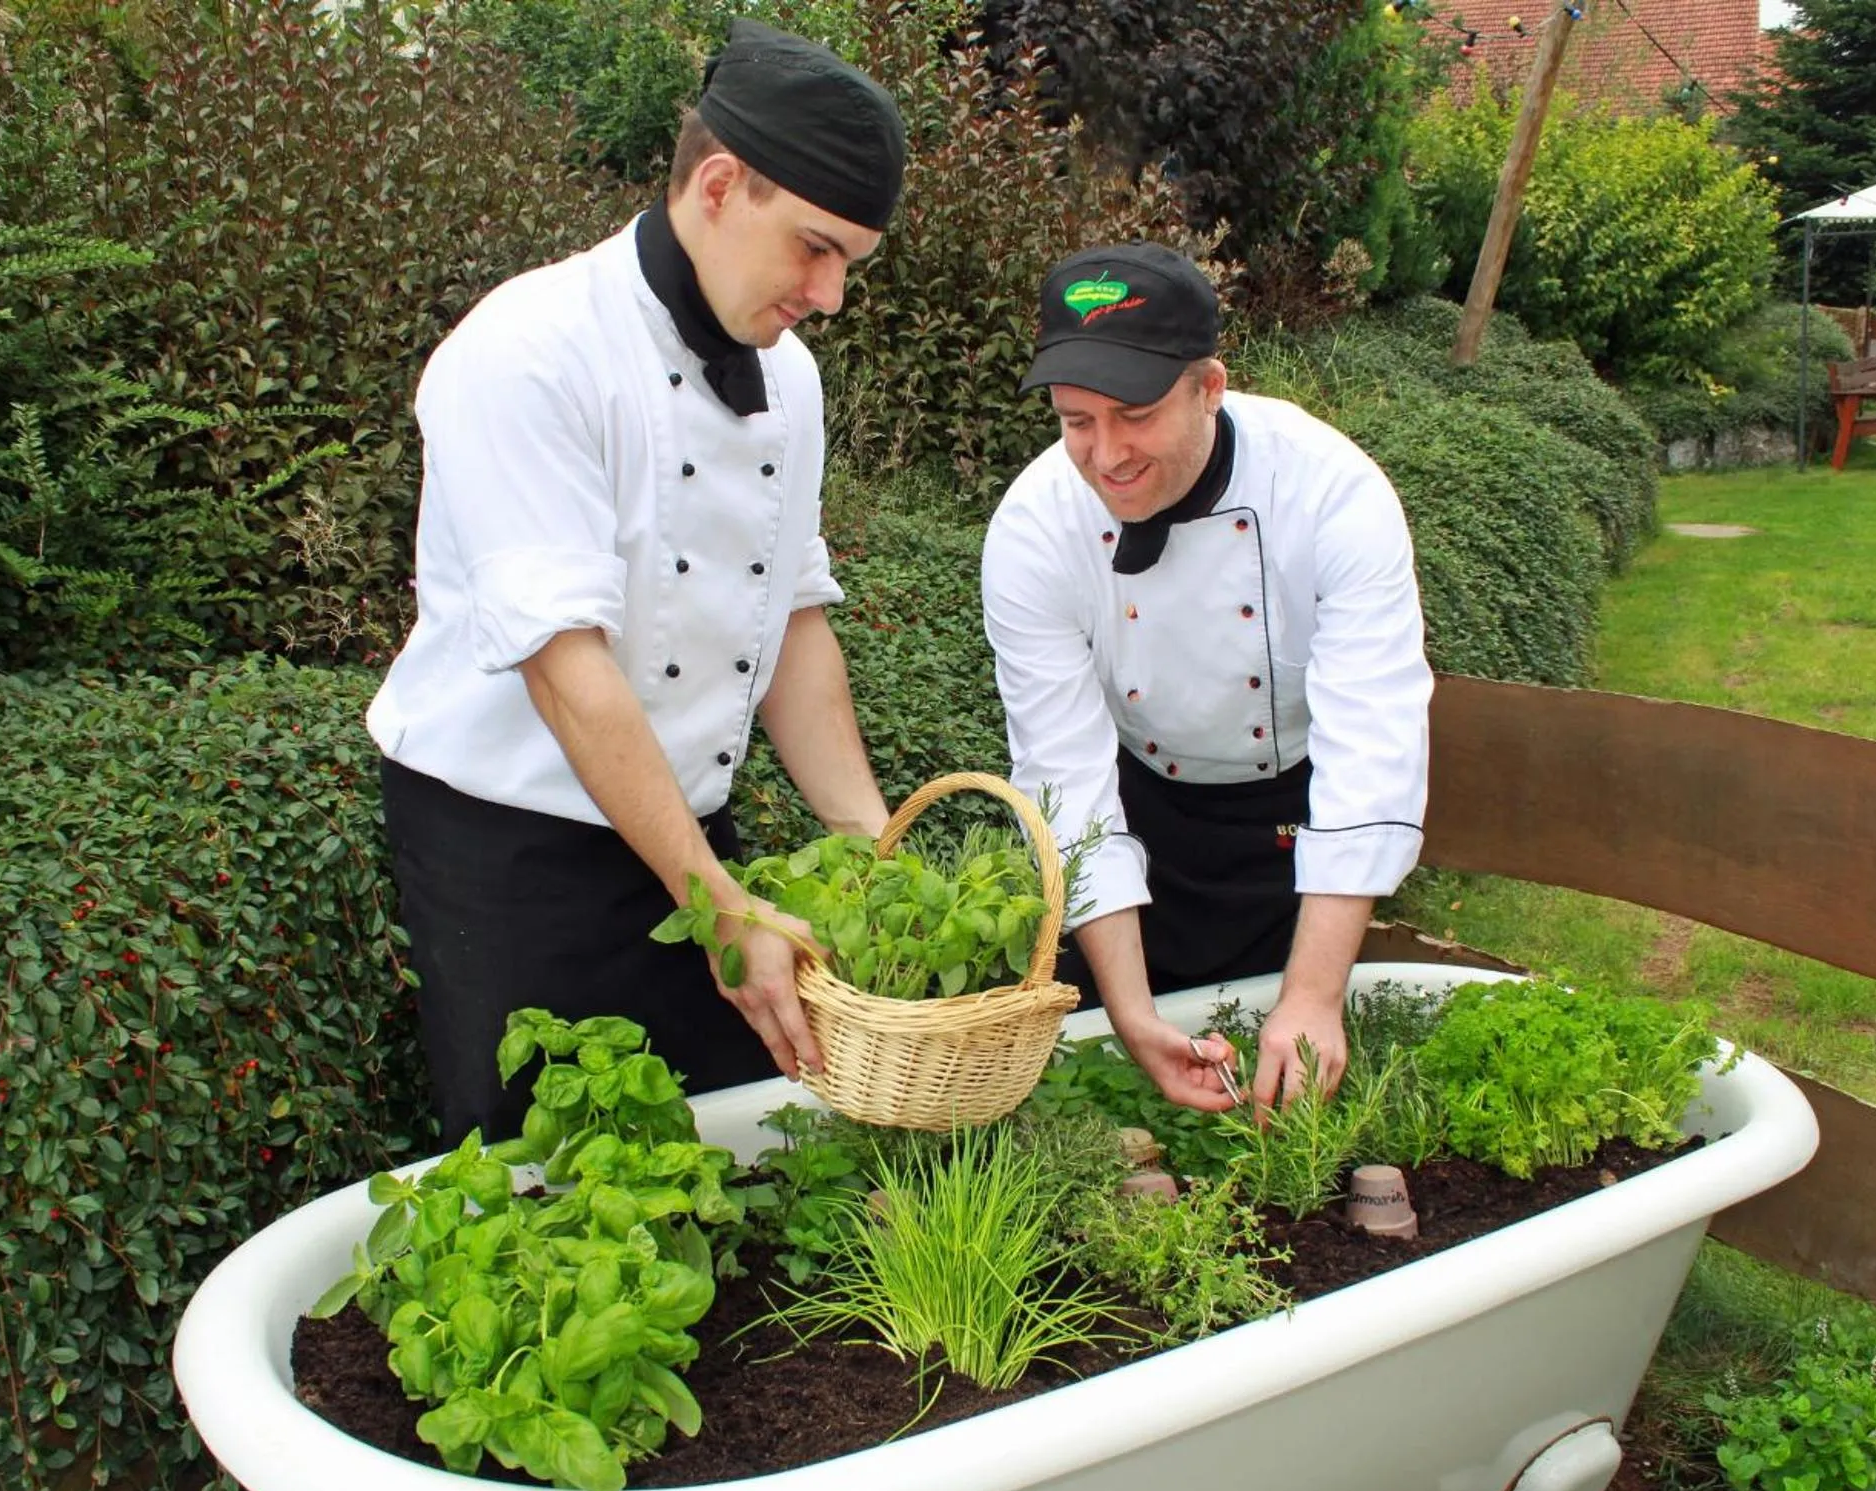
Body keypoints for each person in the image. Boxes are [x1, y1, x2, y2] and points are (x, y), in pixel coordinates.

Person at [367, 20, 907, 1147]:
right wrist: (720, 909)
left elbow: (792, 623)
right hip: (512, 850)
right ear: (720, 185)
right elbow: (571, 678)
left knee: (714, 1158)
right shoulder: (527, 350)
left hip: (690, 831)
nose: (832, 293)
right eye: (816, 250)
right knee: (543, 1173)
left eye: (850, 262)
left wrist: (876, 847)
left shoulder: (790, 380)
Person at [981, 242, 1433, 1119]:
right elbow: (1069, 778)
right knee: (1112, 1106)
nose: (1105, 454)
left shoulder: (1331, 493)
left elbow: (1371, 748)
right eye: (1077, 420)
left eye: (1136, 414)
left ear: (1210, 387)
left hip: (1293, 829)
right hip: (1138, 814)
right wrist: (1132, 1012)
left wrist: (1312, 997)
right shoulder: (1035, 529)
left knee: (1296, 1098)